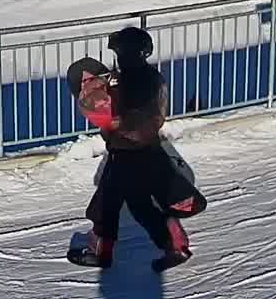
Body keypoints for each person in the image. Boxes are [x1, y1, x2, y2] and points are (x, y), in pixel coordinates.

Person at [70, 27, 203, 272]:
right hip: (146, 149)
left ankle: (100, 253)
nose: (118, 57)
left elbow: (124, 113)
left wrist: (109, 113)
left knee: (107, 206)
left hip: (127, 152)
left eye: (120, 51)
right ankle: (176, 246)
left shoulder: (132, 79)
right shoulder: (148, 76)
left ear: (129, 52)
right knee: (140, 205)